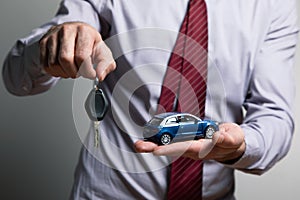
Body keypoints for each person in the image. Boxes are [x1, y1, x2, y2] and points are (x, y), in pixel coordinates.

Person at [2, 0, 299, 199]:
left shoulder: (275, 6)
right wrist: (52, 45)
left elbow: (274, 114)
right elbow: (15, 77)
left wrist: (241, 145)